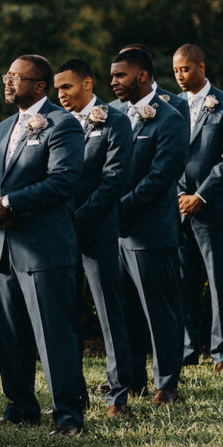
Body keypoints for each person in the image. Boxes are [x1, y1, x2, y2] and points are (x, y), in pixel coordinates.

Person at [0, 54, 85, 437]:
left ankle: (68, 415)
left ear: (39, 86)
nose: (7, 82)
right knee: (11, 335)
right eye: (6, 75)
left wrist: (11, 204)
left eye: (16, 77)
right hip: (6, 247)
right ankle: (20, 406)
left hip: (45, 248)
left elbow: (63, 181)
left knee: (53, 334)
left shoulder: (63, 126)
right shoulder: (4, 127)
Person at [54, 58, 133, 416]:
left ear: (87, 83)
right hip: (56, 234)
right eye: (57, 89)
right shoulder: (54, 123)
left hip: (97, 230)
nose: (61, 95)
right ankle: (75, 393)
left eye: (67, 87)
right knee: (65, 314)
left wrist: (76, 220)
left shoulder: (114, 120)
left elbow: (113, 181)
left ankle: (118, 392)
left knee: (108, 313)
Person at [111, 48, 188, 405]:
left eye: (120, 76)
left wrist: (119, 208)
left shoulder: (169, 117)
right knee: (125, 311)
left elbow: (161, 176)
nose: (113, 82)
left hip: (151, 230)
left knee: (158, 311)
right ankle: (134, 379)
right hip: (116, 234)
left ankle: (167, 384)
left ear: (142, 75)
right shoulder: (110, 116)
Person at [173, 44, 223, 371]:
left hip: (214, 210)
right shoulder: (171, 107)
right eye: (175, 71)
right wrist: (177, 198)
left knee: (219, 285)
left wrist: (200, 197)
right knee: (184, 284)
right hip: (177, 210)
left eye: (185, 69)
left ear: (201, 67)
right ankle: (188, 351)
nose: (179, 76)